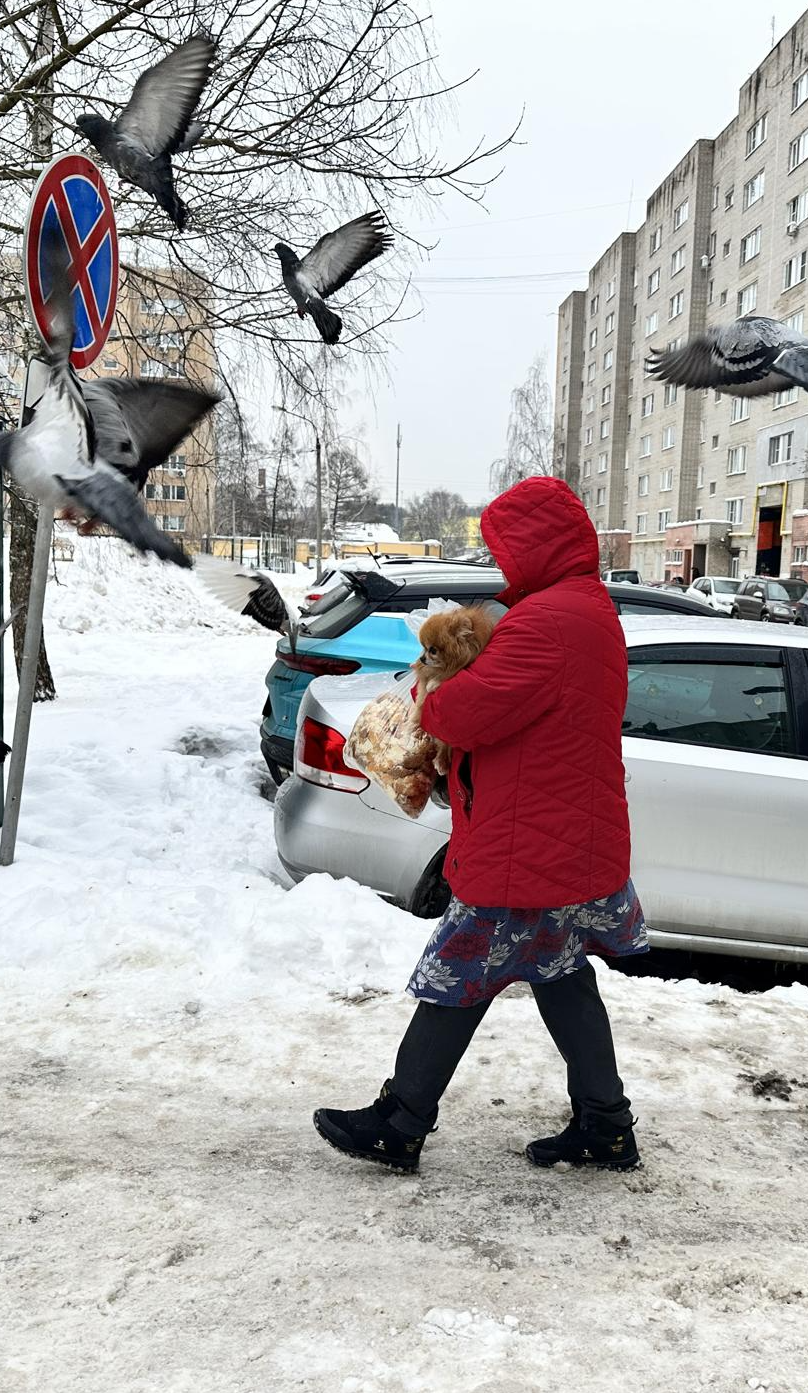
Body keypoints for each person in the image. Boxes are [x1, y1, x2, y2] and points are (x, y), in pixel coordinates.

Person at [314, 476, 647, 1173]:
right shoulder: (588, 608)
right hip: (560, 838)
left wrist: (428, 701)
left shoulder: (544, 621)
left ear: (535, 546)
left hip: (527, 847)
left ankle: (400, 1120)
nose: (499, 564)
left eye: (506, 548)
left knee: (455, 977)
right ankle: (606, 1126)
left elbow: (462, 713)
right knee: (560, 977)